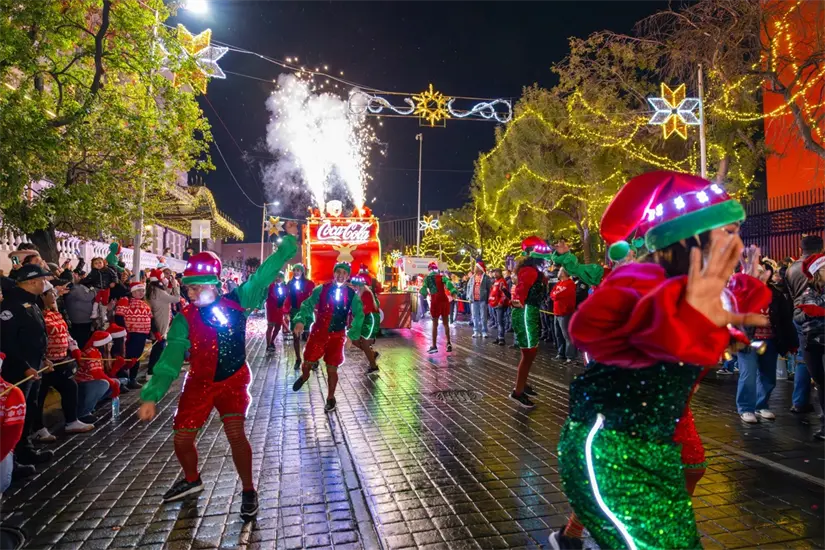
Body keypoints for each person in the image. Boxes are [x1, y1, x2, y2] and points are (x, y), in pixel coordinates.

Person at [549, 171, 768, 550]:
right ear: (694, 243)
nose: (738, 245)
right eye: (728, 233)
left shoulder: (707, 293)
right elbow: (589, 331)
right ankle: (570, 536)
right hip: (610, 448)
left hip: (658, 446)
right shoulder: (638, 283)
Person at [137, 222, 298, 519]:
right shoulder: (184, 317)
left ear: (215, 284)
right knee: (182, 438)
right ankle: (191, 480)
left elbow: (262, 276)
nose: (192, 292)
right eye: (189, 287)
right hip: (198, 383)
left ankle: (249, 491)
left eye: (198, 287)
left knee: (236, 435)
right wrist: (152, 394)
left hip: (232, 380)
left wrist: (284, 252)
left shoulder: (238, 301)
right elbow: (171, 357)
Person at [0, 264, 55, 474]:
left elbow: (36, 337)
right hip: (17, 371)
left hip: (34, 366)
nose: (44, 283)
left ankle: (25, 449)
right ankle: (10, 462)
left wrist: (43, 360)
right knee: (13, 415)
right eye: (41, 280)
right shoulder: (11, 307)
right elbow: (8, 343)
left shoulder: (31, 303)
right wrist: (24, 367)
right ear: (31, 281)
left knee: (29, 410)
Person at [291, 263, 365, 412]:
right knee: (308, 363)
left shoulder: (352, 295)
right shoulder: (321, 289)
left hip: (337, 336)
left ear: (348, 276)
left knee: (332, 368)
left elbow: (360, 315)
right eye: (338, 271)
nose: (341, 275)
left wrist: (351, 335)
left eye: (344, 273)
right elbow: (307, 304)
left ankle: (330, 398)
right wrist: (300, 320)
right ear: (334, 273)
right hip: (319, 333)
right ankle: (304, 376)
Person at [733, 254, 797, 423]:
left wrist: (791, 341)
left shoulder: (775, 294)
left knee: (768, 376)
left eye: (761, 271)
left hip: (770, 339)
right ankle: (746, 408)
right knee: (748, 374)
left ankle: (762, 405)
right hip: (748, 340)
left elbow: (785, 318)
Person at [34, 281, 94, 440]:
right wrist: (43, 359)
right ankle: (37, 429)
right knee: (39, 396)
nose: (54, 296)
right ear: (42, 296)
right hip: (44, 365)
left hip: (60, 361)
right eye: (51, 294)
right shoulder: (36, 314)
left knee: (70, 387)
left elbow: (65, 333)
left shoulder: (56, 313)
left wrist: (74, 348)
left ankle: (72, 421)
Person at [509, 237, 550, 409]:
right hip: (526, 314)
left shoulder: (533, 271)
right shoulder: (530, 271)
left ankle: (521, 384)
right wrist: (517, 301)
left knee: (530, 353)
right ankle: (517, 392)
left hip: (529, 313)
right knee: (529, 353)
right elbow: (520, 293)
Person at [787, 235, 824, 413]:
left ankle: (800, 401)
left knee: (804, 358)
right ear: (821, 248)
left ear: (801, 248)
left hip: (799, 315)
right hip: (818, 318)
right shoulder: (820, 266)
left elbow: (790, 295)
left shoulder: (791, 268)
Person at [795, 252, 825, 439]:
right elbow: (796, 318)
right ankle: (824, 425)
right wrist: (808, 314)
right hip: (812, 344)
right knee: (821, 383)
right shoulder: (807, 293)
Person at [74, 331, 122, 419]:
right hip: (83, 384)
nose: (111, 344)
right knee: (104, 384)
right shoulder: (92, 352)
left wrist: (117, 367)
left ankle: (90, 406)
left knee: (116, 382)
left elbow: (105, 373)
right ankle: (83, 413)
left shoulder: (99, 352)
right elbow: (97, 374)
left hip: (90, 382)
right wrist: (112, 382)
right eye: (110, 342)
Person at [114, 282, 153, 389]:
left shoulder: (145, 304)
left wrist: (154, 331)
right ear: (132, 291)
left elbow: (150, 318)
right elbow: (119, 317)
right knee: (127, 356)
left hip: (142, 334)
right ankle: (122, 379)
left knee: (137, 357)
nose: (141, 293)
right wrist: (125, 331)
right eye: (138, 291)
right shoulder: (126, 301)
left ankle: (132, 378)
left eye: (143, 291)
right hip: (131, 334)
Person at [145, 270, 180, 380]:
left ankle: (155, 370)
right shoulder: (158, 291)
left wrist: (169, 285)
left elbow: (165, 294)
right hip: (160, 322)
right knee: (158, 348)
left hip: (159, 320)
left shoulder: (153, 289)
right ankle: (151, 371)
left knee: (159, 348)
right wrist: (175, 286)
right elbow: (176, 298)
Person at [420, 262, 457, 353]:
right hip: (444, 300)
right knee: (445, 323)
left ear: (429, 269)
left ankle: (434, 346)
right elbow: (448, 283)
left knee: (435, 324)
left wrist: (423, 294)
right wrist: (453, 291)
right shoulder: (441, 277)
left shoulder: (427, 278)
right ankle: (448, 343)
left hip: (435, 301)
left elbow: (424, 289)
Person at [284, 264, 315, 370]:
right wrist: (286, 310)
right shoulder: (290, 284)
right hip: (295, 311)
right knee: (296, 337)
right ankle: (298, 359)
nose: (296, 272)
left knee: (309, 337)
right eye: (295, 270)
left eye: (298, 270)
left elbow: (313, 298)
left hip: (307, 311)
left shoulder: (309, 284)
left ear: (302, 272)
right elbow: (287, 298)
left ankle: (312, 359)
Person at [350, 273, 381, 374]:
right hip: (364, 319)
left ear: (360, 285)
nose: (354, 287)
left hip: (370, 320)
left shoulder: (366, 293)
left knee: (365, 344)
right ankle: (372, 354)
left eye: (355, 285)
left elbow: (365, 310)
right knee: (355, 341)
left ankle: (373, 366)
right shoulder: (359, 293)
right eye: (353, 285)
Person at [551, 267, 578, 363]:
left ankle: (570, 356)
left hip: (565, 313)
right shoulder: (559, 283)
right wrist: (555, 294)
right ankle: (561, 353)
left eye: (560, 271)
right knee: (558, 334)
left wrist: (555, 294)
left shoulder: (570, 284)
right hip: (557, 312)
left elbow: (557, 295)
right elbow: (552, 294)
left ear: (564, 273)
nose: (558, 272)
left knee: (567, 335)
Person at [466, 260, 491, 338]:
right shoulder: (472, 277)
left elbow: (489, 288)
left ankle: (484, 331)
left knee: (483, 316)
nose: (475, 268)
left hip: (482, 300)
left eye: (476, 267)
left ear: (480, 268)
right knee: (474, 316)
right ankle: (476, 331)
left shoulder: (486, 278)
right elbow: (468, 287)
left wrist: (488, 298)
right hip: (474, 300)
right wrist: (468, 296)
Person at [264, 273, 288, 351]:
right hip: (272, 309)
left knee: (278, 327)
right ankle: (268, 345)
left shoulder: (284, 287)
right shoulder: (270, 286)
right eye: (276, 276)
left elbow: (287, 297)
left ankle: (272, 341)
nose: (278, 278)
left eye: (280, 277)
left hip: (280, 309)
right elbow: (265, 296)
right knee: (270, 327)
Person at [488, 268, 511, 346]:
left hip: (499, 305)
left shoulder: (502, 281)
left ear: (500, 273)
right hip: (494, 304)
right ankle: (498, 336)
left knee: (500, 322)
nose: (495, 274)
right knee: (498, 321)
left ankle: (501, 338)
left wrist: (501, 302)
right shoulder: (496, 282)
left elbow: (503, 294)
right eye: (494, 272)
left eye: (496, 272)